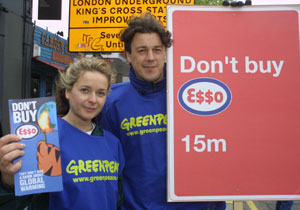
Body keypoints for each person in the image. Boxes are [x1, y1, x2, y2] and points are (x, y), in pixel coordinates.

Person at [100, 12, 226, 210]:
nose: (150, 57)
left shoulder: (196, 94)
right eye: (142, 50)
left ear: (165, 52)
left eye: (157, 50)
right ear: (128, 55)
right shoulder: (109, 102)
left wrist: (236, 20)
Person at [0, 57, 125, 210]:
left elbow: (117, 199)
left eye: (100, 93)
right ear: (68, 92)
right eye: (85, 90)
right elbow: (20, 202)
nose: (93, 99)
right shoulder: (45, 136)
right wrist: (8, 181)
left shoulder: (112, 143)